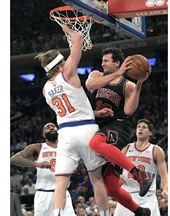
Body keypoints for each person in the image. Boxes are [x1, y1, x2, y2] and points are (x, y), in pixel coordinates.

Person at [34, 25, 109, 216]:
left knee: (61, 182)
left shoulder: (45, 89)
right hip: (86, 131)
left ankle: (58, 214)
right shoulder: (67, 73)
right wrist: (67, 27)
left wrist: (94, 113)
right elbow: (78, 39)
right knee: (96, 179)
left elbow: (70, 108)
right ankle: (106, 214)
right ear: (60, 65)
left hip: (65, 133)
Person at [85, 47, 154, 215]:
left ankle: (139, 174)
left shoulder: (127, 85)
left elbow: (129, 111)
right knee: (112, 188)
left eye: (106, 61)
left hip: (118, 126)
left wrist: (139, 84)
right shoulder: (96, 75)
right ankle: (141, 212)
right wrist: (96, 113)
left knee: (95, 143)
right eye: (102, 60)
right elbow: (89, 85)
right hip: (99, 127)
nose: (102, 63)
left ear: (117, 63)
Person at [10, 122, 75, 216]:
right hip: (44, 194)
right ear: (44, 134)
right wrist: (37, 164)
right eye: (48, 127)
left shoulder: (66, 147)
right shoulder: (38, 147)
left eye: (53, 126)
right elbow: (13, 159)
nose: (51, 128)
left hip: (63, 193)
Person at [114, 119, 168, 216]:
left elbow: (164, 174)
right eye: (138, 127)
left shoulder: (156, 150)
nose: (140, 129)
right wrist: (117, 175)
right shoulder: (126, 148)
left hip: (147, 196)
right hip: (127, 193)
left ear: (150, 133)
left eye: (144, 127)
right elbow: (115, 166)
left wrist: (165, 189)